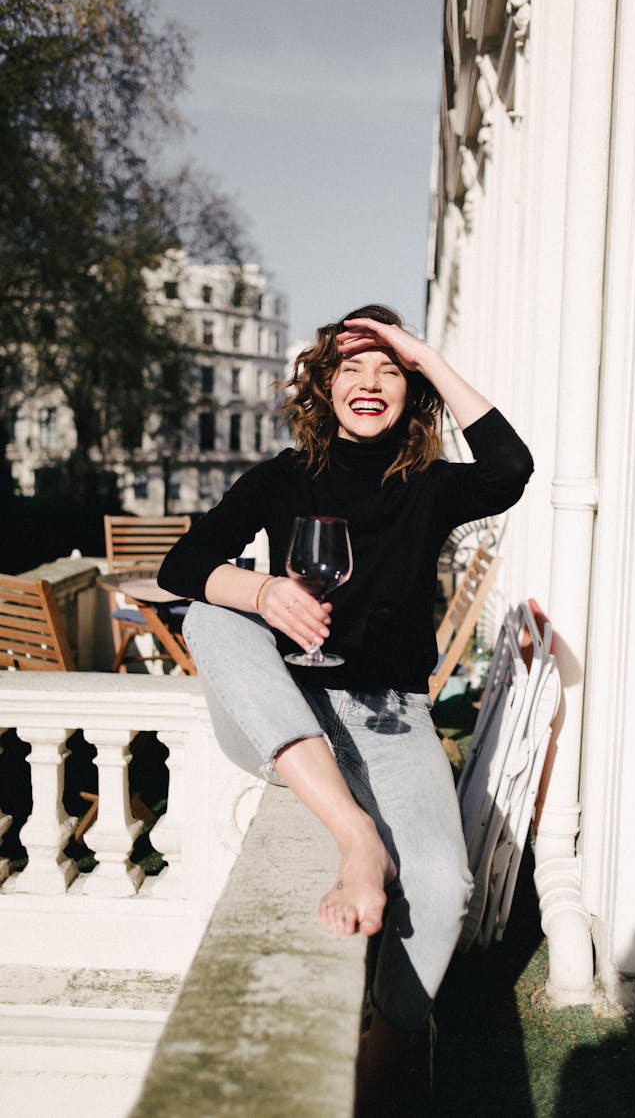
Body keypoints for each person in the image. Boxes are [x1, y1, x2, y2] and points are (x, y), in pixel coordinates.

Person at [157, 304, 533, 1115]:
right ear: (323, 387)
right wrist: (262, 592)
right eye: (350, 367)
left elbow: (509, 468)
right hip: (279, 709)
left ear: (413, 387)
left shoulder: (432, 488)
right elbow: (183, 563)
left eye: (388, 368)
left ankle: (392, 1041)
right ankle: (357, 836)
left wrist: (422, 350)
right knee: (215, 614)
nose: (369, 382)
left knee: (440, 882)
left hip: (389, 716)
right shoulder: (281, 477)